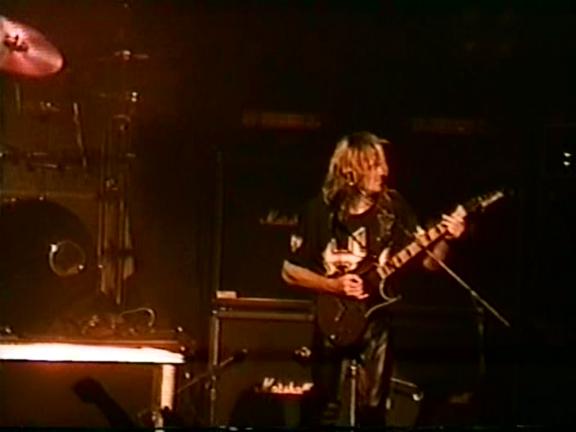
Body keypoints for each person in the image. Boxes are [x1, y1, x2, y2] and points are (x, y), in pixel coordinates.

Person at [281, 131, 467, 426]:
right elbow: (289, 271)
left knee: (373, 410)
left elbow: (430, 263)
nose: (384, 171)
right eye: (375, 165)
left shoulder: (393, 209)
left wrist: (446, 238)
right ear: (350, 170)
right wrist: (333, 285)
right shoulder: (319, 211)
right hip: (332, 318)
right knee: (322, 409)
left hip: (377, 321)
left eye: (383, 164)